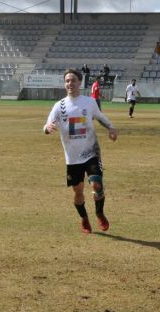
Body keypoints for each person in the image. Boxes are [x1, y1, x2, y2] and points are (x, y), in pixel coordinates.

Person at [44, 69, 117, 234]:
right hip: (72, 158)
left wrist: (111, 127)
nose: (70, 83)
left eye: (73, 80)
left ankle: (99, 212)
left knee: (97, 184)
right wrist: (48, 128)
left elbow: (100, 117)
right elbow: (46, 126)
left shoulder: (89, 102)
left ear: (79, 82)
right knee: (78, 192)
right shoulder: (59, 106)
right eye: (67, 81)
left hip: (91, 152)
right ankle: (84, 218)